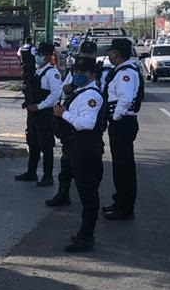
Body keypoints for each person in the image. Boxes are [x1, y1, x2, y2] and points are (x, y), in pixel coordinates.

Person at [53, 54, 105, 253]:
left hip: (86, 152)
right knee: (85, 195)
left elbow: (86, 124)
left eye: (82, 73)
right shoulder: (81, 92)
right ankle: (84, 233)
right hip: (76, 150)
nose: (77, 75)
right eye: (75, 72)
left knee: (88, 196)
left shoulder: (91, 96)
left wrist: (62, 114)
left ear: (92, 75)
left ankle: (86, 237)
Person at [45, 39, 97, 208]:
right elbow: (65, 87)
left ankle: (89, 210)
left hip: (86, 127)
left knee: (86, 174)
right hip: (70, 125)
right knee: (66, 164)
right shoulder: (76, 70)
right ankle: (63, 193)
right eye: (85, 52)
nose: (87, 55)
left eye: (90, 53)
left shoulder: (98, 73)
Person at [102, 37, 141, 221]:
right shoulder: (120, 71)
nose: (110, 55)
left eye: (111, 52)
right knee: (119, 165)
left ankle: (125, 207)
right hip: (121, 123)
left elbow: (125, 99)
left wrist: (116, 118)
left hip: (123, 123)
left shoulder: (126, 73)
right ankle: (119, 201)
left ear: (116, 54)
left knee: (123, 166)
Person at [15, 42, 62, 186]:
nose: (38, 58)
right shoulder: (37, 71)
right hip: (33, 113)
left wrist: (40, 106)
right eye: (38, 55)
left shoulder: (52, 73)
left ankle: (48, 176)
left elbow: (56, 94)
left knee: (46, 145)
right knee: (33, 142)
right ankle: (31, 172)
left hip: (44, 113)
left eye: (41, 55)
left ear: (49, 56)